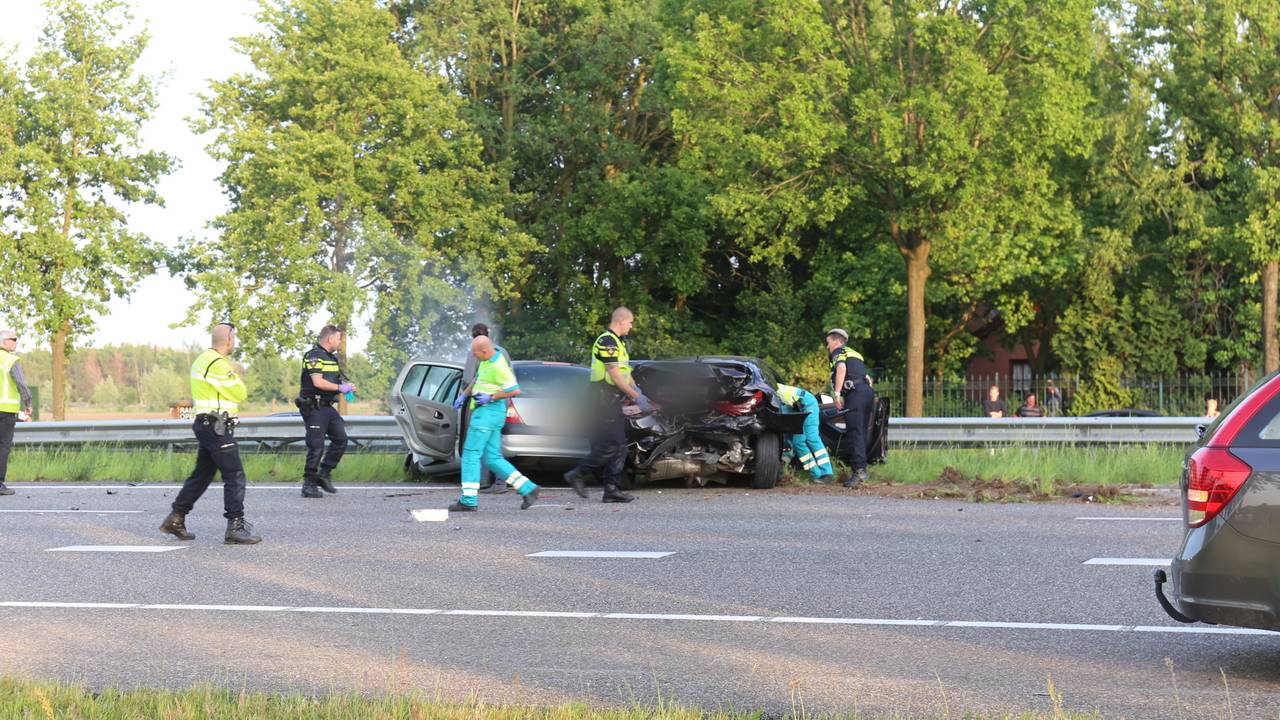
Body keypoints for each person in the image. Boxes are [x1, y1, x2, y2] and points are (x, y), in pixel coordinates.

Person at [160, 323, 260, 544]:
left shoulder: (203, 360)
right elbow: (239, 392)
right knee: (234, 475)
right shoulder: (216, 363)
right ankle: (235, 526)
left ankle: (176, 518)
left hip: (208, 425)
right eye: (234, 337)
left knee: (202, 476)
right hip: (216, 427)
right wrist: (234, 372)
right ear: (229, 339)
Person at [563, 307, 653, 503]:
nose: (631, 326)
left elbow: (625, 373)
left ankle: (611, 489)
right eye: (630, 322)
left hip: (611, 398)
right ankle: (578, 473)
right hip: (601, 397)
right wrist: (635, 396)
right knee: (613, 442)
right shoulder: (607, 341)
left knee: (620, 445)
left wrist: (638, 391)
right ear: (621, 321)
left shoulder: (619, 343)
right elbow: (614, 374)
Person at [448, 336, 539, 512]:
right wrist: (464, 395)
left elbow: (515, 389)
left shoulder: (498, 365)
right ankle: (528, 488)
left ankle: (468, 499)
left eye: (475, 353)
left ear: (484, 350)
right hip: (491, 415)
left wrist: (491, 397)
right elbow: (476, 380)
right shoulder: (486, 361)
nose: (473, 356)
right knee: (492, 458)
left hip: (487, 413)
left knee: (471, 454)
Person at [297, 325, 355, 499]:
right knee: (316, 446)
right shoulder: (314, 355)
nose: (339, 342)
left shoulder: (332, 358)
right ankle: (308, 485)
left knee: (341, 439)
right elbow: (317, 382)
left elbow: (335, 380)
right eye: (338, 338)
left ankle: (323, 474)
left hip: (328, 407)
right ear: (330, 339)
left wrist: (348, 388)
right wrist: (340, 387)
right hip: (314, 406)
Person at [457, 323, 504, 494]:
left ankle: (482, 482)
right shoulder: (501, 351)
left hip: (484, 405)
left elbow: (469, 378)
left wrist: (463, 395)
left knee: (475, 447)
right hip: (500, 405)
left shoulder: (476, 352)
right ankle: (501, 482)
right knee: (493, 447)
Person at [826, 328, 873, 488]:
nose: (828, 347)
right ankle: (863, 468)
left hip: (855, 395)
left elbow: (841, 369)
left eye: (828, 343)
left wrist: (837, 394)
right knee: (862, 432)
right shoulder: (855, 353)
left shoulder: (838, 352)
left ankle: (859, 472)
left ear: (836, 341)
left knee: (854, 432)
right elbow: (868, 378)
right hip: (866, 393)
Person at [775, 383, 834, 483]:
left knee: (812, 438)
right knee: (798, 443)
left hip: (808, 405)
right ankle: (815, 474)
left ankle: (827, 474)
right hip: (798, 409)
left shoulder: (772, 393)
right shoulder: (774, 392)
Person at [0, 329, 33, 497]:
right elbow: (20, 383)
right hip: (5, 411)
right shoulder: (11, 360)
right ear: (3, 342)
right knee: (2, 447)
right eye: (13, 339)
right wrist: (28, 403)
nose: (16, 342)